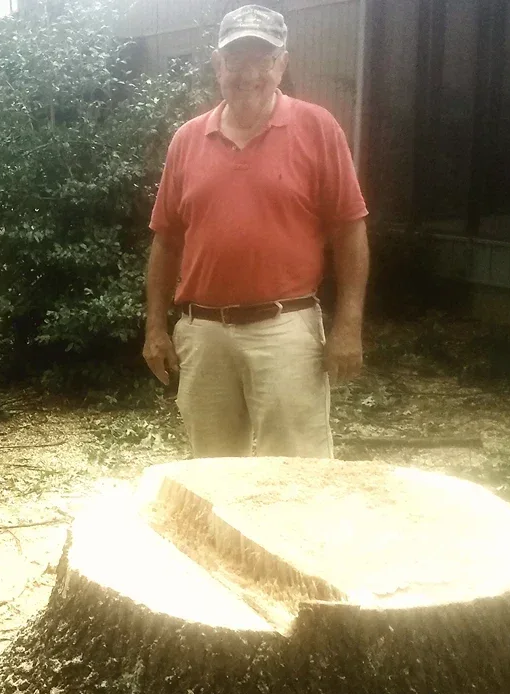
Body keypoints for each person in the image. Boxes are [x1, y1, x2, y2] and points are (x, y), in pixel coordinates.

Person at [143, 5, 369, 458]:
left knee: (296, 478)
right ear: (217, 64)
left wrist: (348, 325)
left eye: (262, 59)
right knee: (213, 476)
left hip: (286, 329)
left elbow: (349, 230)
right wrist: (155, 328)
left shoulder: (317, 128)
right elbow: (166, 240)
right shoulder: (187, 140)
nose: (249, 73)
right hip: (203, 335)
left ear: (282, 64)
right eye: (236, 59)